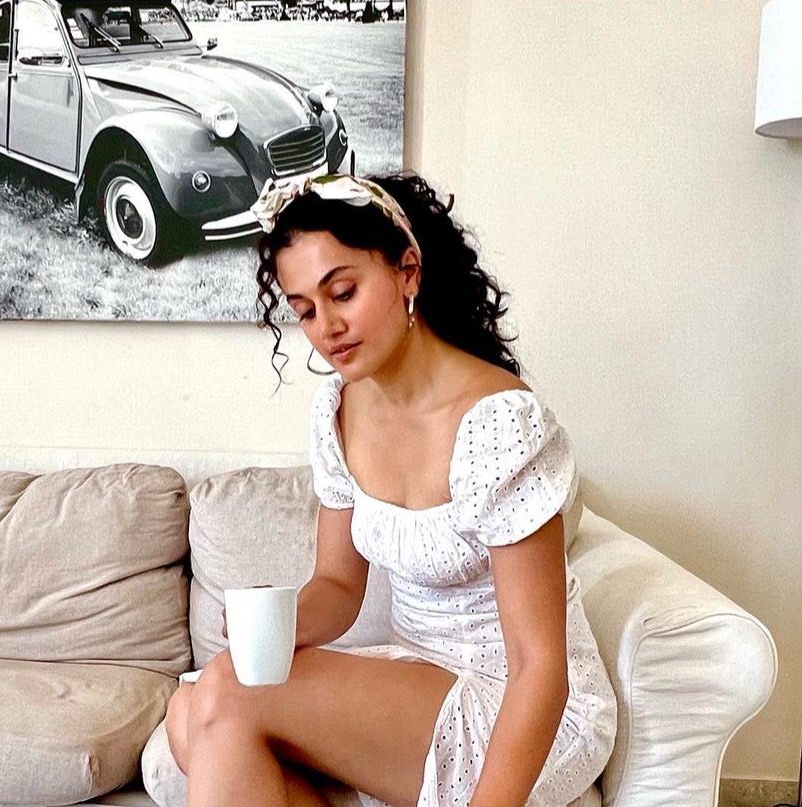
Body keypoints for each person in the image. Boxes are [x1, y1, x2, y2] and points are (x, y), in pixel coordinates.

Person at [163, 172, 617, 807]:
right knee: (189, 710)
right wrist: (273, 628)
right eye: (304, 310)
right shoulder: (337, 410)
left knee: (221, 698)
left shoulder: (499, 423)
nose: (327, 327)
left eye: (342, 292)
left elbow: (539, 665)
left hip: (524, 702)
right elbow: (338, 586)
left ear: (408, 272)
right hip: (419, 677)